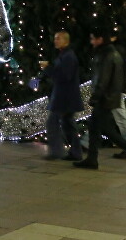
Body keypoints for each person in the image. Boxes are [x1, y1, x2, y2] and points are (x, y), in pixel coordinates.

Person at [74, 30, 126, 173]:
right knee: (95, 128)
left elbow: (103, 79)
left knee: (107, 130)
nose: (91, 41)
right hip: (109, 97)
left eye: (93, 38)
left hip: (105, 98)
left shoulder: (107, 55)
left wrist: (95, 97)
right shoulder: (112, 52)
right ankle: (92, 159)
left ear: (101, 39)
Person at [39, 30, 83, 161]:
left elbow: (64, 76)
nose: (55, 41)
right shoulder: (65, 55)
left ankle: (57, 151)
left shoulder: (68, 56)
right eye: (55, 38)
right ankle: (76, 153)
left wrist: (47, 68)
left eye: (58, 38)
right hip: (66, 97)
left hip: (64, 98)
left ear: (66, 41)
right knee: (67, 124)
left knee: (53, 122)